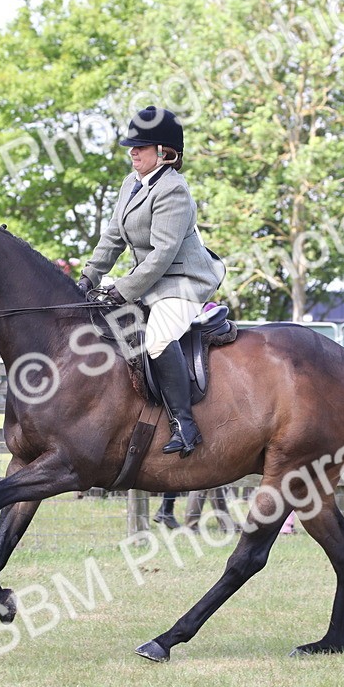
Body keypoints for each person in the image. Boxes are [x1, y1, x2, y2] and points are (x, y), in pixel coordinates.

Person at [78, 106, 226, 457]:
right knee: (108, 328)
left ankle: (185, 424)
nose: (133, 152)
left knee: (157, 340)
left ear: (164, 152)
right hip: (151, 282)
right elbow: (112, 237)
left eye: (141, 147)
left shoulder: (173, 190)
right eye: (132, 145)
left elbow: (162, 255)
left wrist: (123, 289)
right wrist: (88, 277)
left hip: (183, 283)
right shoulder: (131, 184)